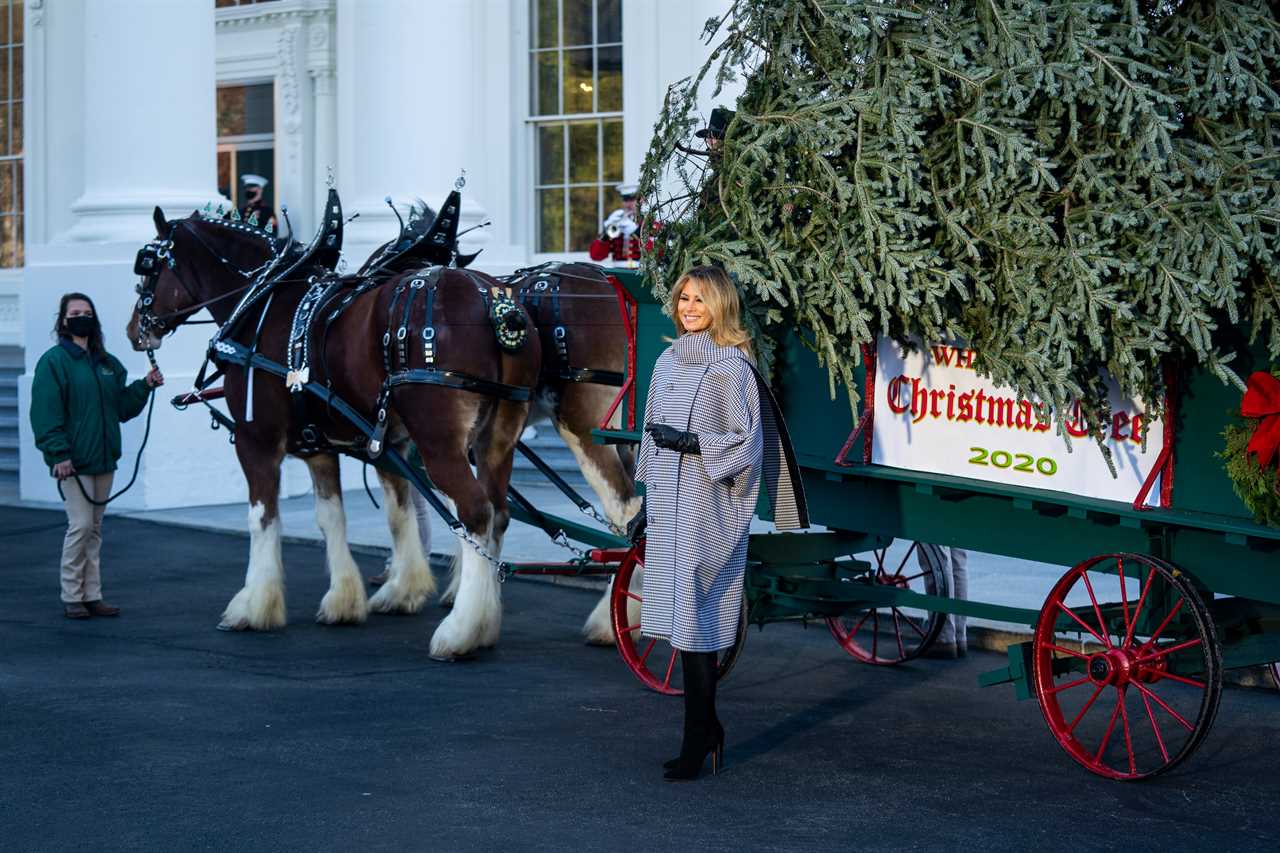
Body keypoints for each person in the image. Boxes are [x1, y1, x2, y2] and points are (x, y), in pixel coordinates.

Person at [634, 265, 808, 781]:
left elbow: (745, 442)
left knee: (696, 616)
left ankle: (699, 736)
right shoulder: (668, 361)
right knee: (680, 621)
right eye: (683, 298)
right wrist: (648, 502)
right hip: (669, 503)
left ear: (721, 307)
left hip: (710, 505)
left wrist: (691, 444)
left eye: (700, 300)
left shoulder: (732, 367)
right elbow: (649, 433)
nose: (689, 308)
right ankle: (704, 731)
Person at [29, 293, 164, 619]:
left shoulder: (106, 363)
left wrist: (144, 386)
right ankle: (72, 595)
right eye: (75, 313)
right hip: (73, 462)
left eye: (87, 312)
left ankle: (93, 595)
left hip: (104, 459)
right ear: (63, 321)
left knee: (95, 528)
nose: (81, 317)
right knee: (80, 526)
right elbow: (46, 413)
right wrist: (58, 454)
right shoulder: (54, 362)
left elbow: (122, 408)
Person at [588, 183, 642, 267]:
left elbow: (658, 253)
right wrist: (606, 234)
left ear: (641, 200)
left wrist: (636, 231)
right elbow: (596, 256)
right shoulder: (617, 220)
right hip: (618, 272)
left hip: (642, 273)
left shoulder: (649, 222)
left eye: (632, 200)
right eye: (625, 200)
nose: (628, 204)